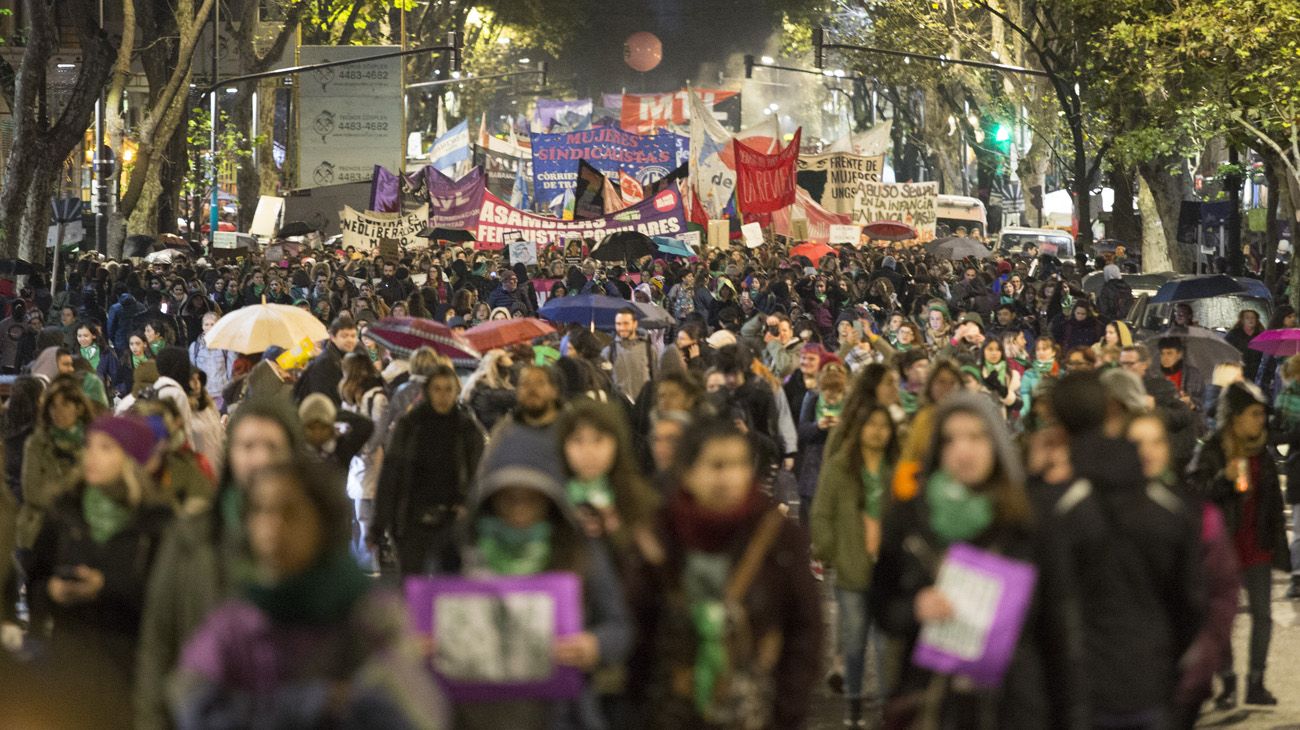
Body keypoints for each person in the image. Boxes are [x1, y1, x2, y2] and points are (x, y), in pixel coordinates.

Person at [169, 458, 446, 727]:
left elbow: (407, 712)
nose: (272, 528)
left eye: (290, 512)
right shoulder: (236, 622)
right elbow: (195, 708)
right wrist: (320, 701)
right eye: (260, 511)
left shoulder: (371, 617)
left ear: (323, 523)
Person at [870, 393, 1084, 727]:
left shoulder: (1029, 520)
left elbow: (1058, 628)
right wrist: (915, 608)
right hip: (933, 701)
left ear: (996, 444)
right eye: (950, 440)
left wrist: (1069, 715)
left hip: (1013, 706)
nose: (963, 450)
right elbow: (881, 605)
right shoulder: (911, 517)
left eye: (976, 436)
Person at [636, 418, 823, 729]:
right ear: (688, 472)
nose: (729, 478)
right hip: (673, 710)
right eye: (717, 465)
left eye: (739, 465)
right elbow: (641, 629)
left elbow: (805, 629)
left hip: (757, 712)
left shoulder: (777, 536)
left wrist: (789, 708)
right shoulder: (661, 533)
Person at [134, 398, 303, 730]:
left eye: (272, 446)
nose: (260, 458)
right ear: (231, 453)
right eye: (248, 445)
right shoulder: (191, 537)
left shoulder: (313, 541)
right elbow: (158, 642)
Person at [452, 457, 632, 728]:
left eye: (532, 499)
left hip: (560, 714)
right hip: (479, 713)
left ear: (551, 503)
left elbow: (620, 627)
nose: (519, 510)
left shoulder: (580, 553)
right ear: (490, 502)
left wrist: (594, 645)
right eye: (508, 499)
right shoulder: (460, 555)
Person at [27, 414, 171, 723]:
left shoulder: (156, 523)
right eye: (89, 445)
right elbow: (33, 582)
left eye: (106, 447)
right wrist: (51, 592)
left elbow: (164, 603)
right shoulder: (63, 511)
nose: (91, 455)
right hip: (68, 673)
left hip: (128, 674)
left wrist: (105, 588)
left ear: (131, 458)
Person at [1187, 381, 1288, 708]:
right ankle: (1228, 681)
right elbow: (1195, 493)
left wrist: (1278, 547)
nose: (1261, 421)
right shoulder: (1214, 449)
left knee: (1262, 616)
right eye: (1255, 414)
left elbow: (1273, 504)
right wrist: (1223, 480)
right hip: (1223, 549)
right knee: (1222, 620)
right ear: (1236, 417)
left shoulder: (1263, 452)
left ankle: (1256, 682)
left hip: (1257, 547)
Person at [812, 403, 897, 728]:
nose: (877, 431)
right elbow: (821, 513)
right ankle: (854, 705)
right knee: (854, 639)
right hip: (851, 568)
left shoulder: (894, 469)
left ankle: (887, 709)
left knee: (885, 644)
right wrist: (832, 551)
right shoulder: (840, 467)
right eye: (871, 424)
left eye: (883, 425)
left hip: (887, 571)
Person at [373, 364, 485, 576]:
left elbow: (478, 473)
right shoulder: (410, 425)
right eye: (437, 389)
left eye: (448, 389)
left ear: (456, 391)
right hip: (413, 518)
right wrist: (380, 522)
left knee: (452, 586)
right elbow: (392, 472)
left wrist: (469, 506)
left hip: (453, 519)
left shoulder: (466, 428)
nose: (443, 396)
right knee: (413, 584)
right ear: (427, 391)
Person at [339, 351, 387, 574]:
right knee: (357, 513)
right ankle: (359, 561)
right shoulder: (351, 398)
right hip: (355, 463)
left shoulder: (376, 397)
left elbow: (379, 430)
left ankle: (370, 561)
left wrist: (362, 450)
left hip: (369, 461)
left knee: (365, 513)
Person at [478, 364, 566, 483]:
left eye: (540, 383)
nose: (532, 389)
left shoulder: (570, 430)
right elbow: (487, 473)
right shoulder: (504, 432)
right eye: (525, 384)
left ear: (554, 391)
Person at [293, 315, 359, 407]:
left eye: (353, 336)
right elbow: (324, 401)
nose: (350, 340)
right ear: (332, 337)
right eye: (344, 336)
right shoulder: (325, 363)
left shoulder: (348, 358)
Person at [604, 307, 657, 404]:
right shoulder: (608, 351)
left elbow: (656, 379)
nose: (622, 328)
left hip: (643, 409)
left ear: (635, 324)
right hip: (619, 410)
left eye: (626, 323)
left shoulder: (649, 349)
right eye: (618, 324)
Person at [188, 312, 236, 411]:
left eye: (212, 324)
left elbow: (232, 370)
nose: (209, 327)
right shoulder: (195, 347)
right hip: (202, 393)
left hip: (221, 393)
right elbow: (191, 370)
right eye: (206, 324)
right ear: (202, 326)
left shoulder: (226, 346)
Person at [461, 349, 517, 431]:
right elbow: (520, 396)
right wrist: (512, 367)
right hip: (496, 434)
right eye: (507, 357)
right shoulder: (489, 391)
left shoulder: (478, 383)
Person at [1225, 309, 1265, 382]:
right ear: (1242, 320)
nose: (1250, 320)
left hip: (1257, 373)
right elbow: (1226, 351)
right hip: (1239, 373)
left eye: (1253, 318)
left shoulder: (1262, 335)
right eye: (1247, 318)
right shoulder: (1234, 334)